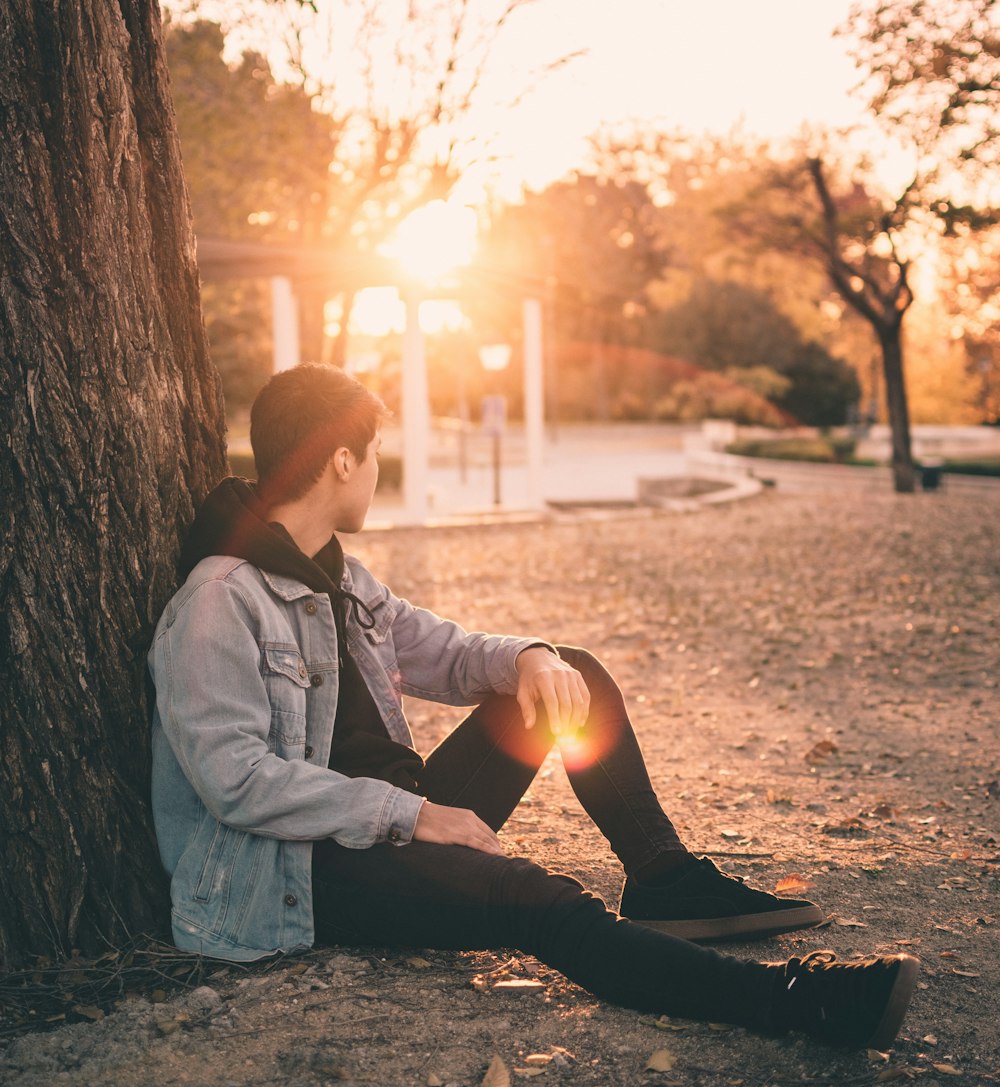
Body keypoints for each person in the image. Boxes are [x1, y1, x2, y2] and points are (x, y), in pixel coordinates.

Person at [149, 364, 918, 1049]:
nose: (380, 469)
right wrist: (414, 817)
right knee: (536, 901)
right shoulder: (217, 602)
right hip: (304, 870)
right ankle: (798, 1003)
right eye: (376, 452)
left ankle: (663, 878)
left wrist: (529, 657)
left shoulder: (338, 579)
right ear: (341, 459)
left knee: (570, 673)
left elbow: (447, 653)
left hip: (396, 819)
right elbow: (236, 781)